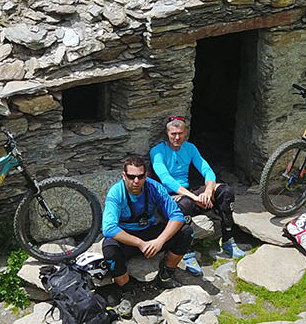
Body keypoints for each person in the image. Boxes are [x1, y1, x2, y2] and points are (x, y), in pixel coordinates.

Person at [150, 116, 244, 263]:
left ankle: (227, 239)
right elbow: (166, 180)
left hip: (189, 192)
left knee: (225, 191)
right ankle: (186, 250)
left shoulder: (190, 148)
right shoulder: (157, 151)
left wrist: (208, 190)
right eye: (173, 134)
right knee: (185, 204)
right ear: (167, 133)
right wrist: (195, 198)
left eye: (180, 133)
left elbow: (206, 170)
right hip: (169, 196)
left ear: (185, 132)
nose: (177, 137)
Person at [99, 153, 192, 293]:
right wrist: (140, 244)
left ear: (146, 175)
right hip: (127, 237)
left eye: (140, 176)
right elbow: (109, 228)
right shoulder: (116, 192)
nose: (136, 181)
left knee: (186, 231)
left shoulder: (154, 187)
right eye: (131, 177)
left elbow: (177, 216)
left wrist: (159, 241)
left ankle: (166, 276)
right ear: (123, 176)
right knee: (109, 249)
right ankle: (127, 291)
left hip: (150, 233)